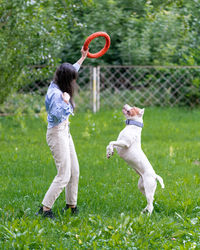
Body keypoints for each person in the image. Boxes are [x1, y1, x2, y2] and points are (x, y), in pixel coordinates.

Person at [36, 47, 89, 219]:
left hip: (65, 131)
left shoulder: (58, 81)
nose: (74, 83)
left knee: (75, 170)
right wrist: (67, 102)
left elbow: (70, 70)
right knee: (64, 174)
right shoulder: (57, 94)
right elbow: (57, 114)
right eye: (72, 80)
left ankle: (71, 205)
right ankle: (45, 209)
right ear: (67, 81)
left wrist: (82, 58)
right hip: (56, 133)